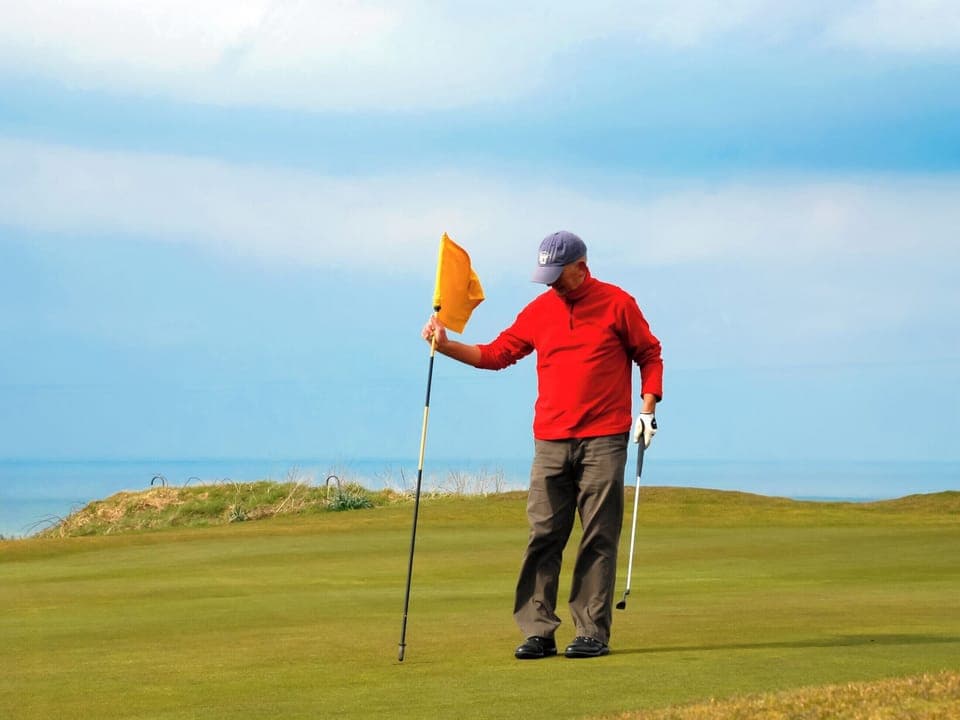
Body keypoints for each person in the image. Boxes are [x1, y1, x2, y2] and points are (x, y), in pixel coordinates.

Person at [422, 230, 663, 659]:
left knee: (598, 535)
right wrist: (446, 346)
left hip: (604, 438)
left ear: (581, 268)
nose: (551, 284)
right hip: (550, 439)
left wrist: (648, 409)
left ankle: (591, 632)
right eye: (545, 276)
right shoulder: (539, 311)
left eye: (557, 276)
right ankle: (538, 630)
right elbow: (496, 355)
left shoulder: (618, 304)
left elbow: (649, 354)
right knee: (544, 534)